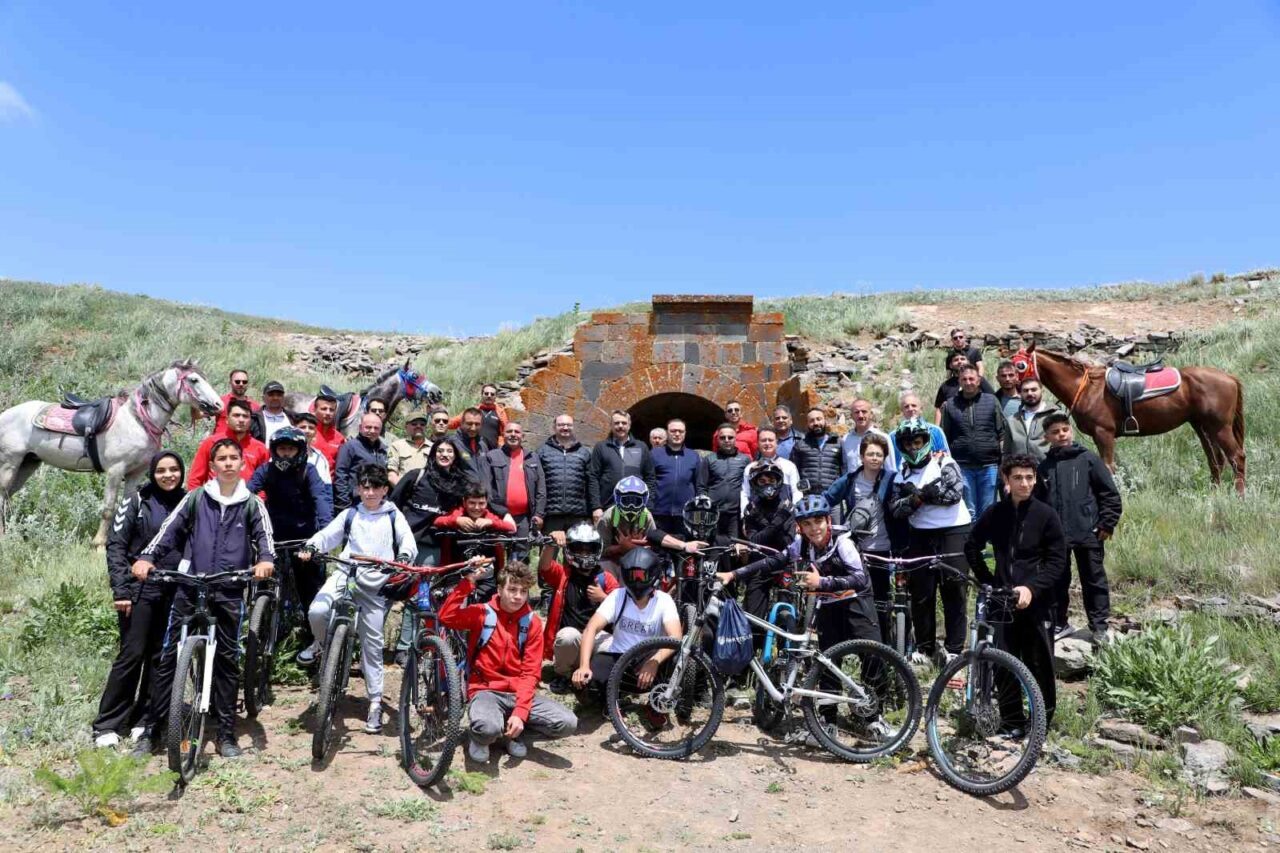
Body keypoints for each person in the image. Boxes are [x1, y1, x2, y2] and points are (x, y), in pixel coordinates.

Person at [134, 438, 275, 758]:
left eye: (233, 458)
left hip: (229, 588)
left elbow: (264, 539)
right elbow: (168, 531)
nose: (228, 463)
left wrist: (265, 560)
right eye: (221, 459)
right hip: (190, 584)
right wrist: (147, 557)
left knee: (227, 660)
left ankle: (226, 734)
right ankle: (152, 731)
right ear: (212, 466)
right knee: (169, 658)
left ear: (242, 464)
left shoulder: (253, 504)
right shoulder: (196, 498)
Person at [716, 495, 888, 739]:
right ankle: (828, 721)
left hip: (856, 604)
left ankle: (874, 718)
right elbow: (772, 562)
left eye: (818, 522)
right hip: (829, 607)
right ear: (800, 527)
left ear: (828, 521)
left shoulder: (843, 543)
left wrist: (822, 582)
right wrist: (733, 574)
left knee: (873, 658)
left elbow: (860, 579)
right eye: (807, 524)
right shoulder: (802, 544)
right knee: (827, 664)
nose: (814, 528)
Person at [300, 464, 416, 733]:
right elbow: (327, 535)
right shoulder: (351, 514)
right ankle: (320, 643)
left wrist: (402, 558)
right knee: (317, 611)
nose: (370, 492)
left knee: (372, 646)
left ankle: (374, 703)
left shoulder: (393, 515)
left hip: (375, 582)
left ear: (385, 490)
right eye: (365, 487)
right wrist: (312, 546)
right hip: (346, 573)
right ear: (359, 489)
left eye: (376, 487)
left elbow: (408, 543)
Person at [93, 451, 186, 754]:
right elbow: (116, 547)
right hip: (139, 590)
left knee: (160, 657)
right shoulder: (135, 500)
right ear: (152, 474)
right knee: (132, 654)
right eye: (161, 470)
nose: (168, 475)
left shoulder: (187, 502)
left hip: (173, 590)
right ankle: (107, 724)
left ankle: (145, 719)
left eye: (174, 469)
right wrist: (121, 590)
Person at [965, 454, 1069, 726]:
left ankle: (1040, 724)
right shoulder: (995, 513)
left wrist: (1032, 588)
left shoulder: (1047, 515)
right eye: (1018, 478)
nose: (1024, 483)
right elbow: (971, 546)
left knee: (1039, 664)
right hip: (1002, 600)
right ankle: (1011, 721)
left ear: (1035, 479)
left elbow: (1058, 561)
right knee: (1003, 662)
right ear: (1006, 480)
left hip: (1037, 602)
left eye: (1029, 478)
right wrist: (989, 581)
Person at [440, 559, 578, 762]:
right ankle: (481, 737)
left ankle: (512, 733)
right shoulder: (483, 613)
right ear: (499, 589)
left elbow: (530, 672)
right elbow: (446, 617)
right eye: (512, 589)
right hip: (485, 690)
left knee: (567, 722)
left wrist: (520, 712)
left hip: (517, 692)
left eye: (523, 591)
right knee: (487, 728)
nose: (518, 596)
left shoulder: (531, 622)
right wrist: (468, 582)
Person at [890, 418, 972, 666]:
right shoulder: (901, 473)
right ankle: (925, 648)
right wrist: (917, 499)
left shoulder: (944, 462)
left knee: (954, 589)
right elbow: (896, 509)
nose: (914, 448)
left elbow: (954, 494)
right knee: (921, 593)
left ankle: (954, 648)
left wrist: (919, 497)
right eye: (908, 444)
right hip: (920, 535)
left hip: (954, 530)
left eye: (917, 442)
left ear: (926, 441)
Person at [1036, 413, 1122, 643]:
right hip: (1056, 537)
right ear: (1046, 437)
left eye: (1065, 430)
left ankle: (1099, 627)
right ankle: (1060, 623)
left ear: (1071, 431)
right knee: (1056, 581)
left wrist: (1107, 523)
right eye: (1055, 432)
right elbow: (1038, 505)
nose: (1061, 435)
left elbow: (1110, 495)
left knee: (1093, 579)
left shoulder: (1089, 459)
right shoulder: (1044, 467)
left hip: (1089, 532)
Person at [247, 427, 334, 651]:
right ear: (274, 450)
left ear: (300, 451)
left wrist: (324, 537)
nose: (286, 453)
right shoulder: (266, 470)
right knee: (263, 583)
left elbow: (321, 501)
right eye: (282, 449)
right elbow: (248, 493)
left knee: (309, 589)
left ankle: (315, 641)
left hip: (304, 539)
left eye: (291, 449)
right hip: (273, 537)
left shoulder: (309, 471)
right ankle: (260, 631)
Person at [389, 438, 474, 662]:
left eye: (449, 451)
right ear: (433, 454)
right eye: (440, 450)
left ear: (455, 456)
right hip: (404, 544)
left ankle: (409, 647)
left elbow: (475, 498)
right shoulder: (416, 476)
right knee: (392, 591)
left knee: (420, 596)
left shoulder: (458, 485)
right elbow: (392, 504)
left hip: (432, 547)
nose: (445, 454)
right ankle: (375, 646)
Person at [572, 547, 682, 697]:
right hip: (619, 657)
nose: (637, 581)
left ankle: (658, 699)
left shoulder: (664, 600)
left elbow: (675, 637)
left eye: (641, 576)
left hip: (648, 658)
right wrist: (584, 666)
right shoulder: (617, 596)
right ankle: (615, 696)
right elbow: (591, 628)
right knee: (584, 687)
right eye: (633, 575)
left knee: (676, 658)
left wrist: (655, 661)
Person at [824, 434, 901, 644]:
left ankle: (882, 646)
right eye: (870, 454)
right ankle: (856, 644)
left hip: (883, 549)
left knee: (881, 601)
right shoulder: (850, 480)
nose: (875, 458)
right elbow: (827, 499)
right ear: (861, 456)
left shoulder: (892, 479)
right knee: (856, 598)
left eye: (879, 454)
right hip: (855, 550)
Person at [538, 523, 621, 693]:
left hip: (597, 638)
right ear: (570, 550)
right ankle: (563, 675)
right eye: (579, 549)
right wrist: (550, 543)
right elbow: (544, 567)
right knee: (568, 636)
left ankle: (598, 674)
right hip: (572, 640)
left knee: (613, 644)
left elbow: (622, 610)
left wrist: (603, 598)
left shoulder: (606, 579)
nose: (584, 554)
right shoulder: (563, 574)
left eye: (589, 549)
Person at [738, 460, 796, 654]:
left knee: (788, 612)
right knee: (753, 616)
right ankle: (752, 657)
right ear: (755, 484)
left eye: (771, 480)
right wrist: (776, 522)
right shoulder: (751, 508)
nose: (767, 484)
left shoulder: (788, 505)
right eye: (762, 481)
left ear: (778, 481)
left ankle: (787, 655)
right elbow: (755, 540)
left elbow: (787, 541)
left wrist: (766, 525)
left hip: (784, 562)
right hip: (759, 563)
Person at [596, 476, 705, 580]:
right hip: (613, 561)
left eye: (636, 502)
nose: (631, 506)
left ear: (644, 500)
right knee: (604, 565)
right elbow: (600, 551)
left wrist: (632, 547)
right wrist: (620, 548)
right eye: (626, 501)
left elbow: (655, 542)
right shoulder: (607, 517)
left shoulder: (646, 515)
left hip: (637, 561)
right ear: (617, 498)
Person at [941, 364, 1009, 521]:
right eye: (964, 379)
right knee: (968, 511)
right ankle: (971, 537)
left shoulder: (991, 401)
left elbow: (1002, 433)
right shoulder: (950, 405)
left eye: (971, 379)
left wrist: (1003, 461)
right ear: (959, 381)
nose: (968, 382)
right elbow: (945, 436)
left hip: (989, 465)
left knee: (988, 510)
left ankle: (985, 537)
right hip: (962, 466)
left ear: (978, 380)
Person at [434, 485, 518, 601]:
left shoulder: (488, 516)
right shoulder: (458, 513)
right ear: (464, 502)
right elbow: (437, 521)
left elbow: (511, 528)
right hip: (457, 571)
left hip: (487, 573)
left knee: (486, 604)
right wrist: (456, 520)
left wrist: (491, 523)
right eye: (472, 503)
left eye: (481, 503)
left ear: (486, 503)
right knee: (455, 603)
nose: (477, 507)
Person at [479, 422, 546, 559]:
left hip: (524, 518)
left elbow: (541, 488)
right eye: (509, 431)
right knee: (495, 557)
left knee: (521, 558)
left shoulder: (532, 457)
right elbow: (486, 489)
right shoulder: (492, 456)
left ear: (523, 436)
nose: (513, 435)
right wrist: (502, 513)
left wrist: (538, 514)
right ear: (503, 435)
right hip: (498, 517)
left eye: (517, 432)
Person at [588, 410, 657, 524]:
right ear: (611, 425)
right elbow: (593, 477)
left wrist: (648, 505)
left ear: (629, 425)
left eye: (624, 423)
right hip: (608, 507)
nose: (620, 426)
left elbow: (650, 478)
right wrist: (596, 507)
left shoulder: (641, 447)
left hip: (636, 508)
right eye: (617, 423)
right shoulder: (601, 447)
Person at [187, 398, 270, 490]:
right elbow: (195, 480)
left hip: (248, 497)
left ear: (250, 421)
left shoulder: (260, 449)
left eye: (245, 416)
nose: (241, 420)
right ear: (227, 419)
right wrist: (197, 498)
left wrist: (256, 498)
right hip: (213, 497)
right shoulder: (211, 443)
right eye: (236, 415)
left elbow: (264, 483)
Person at [536, 414, 596, 535]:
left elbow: (592, 482)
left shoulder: (584, 452)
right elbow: (536, 483)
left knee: (577, 547)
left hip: (578, 515)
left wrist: (595, 508)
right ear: (554, 427)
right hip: (551, 516)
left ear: (573, 427)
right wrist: (538, 513)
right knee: (550, 547)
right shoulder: (542, 452)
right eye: (561, 425)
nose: (565, 428)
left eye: (568, 425)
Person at [650, 419, 708, 537]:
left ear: (685, 433)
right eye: (673, 431)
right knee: (659, 546)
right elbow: (650, 482)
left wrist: (700, 509)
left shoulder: (693, 456)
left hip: (686, 514)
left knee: (685, 546)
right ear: (667, 433)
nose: (677, 434)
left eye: (680, 431)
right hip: (659, 513)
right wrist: (649, 506)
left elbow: (699, 484)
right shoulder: (655, 454)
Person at [334, 413, 390, 511]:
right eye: (368, 427)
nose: (372, 431)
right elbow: (341, 475)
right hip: (355, 503)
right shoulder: (350, 447)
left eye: (376, 428)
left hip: (377, 504)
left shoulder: (383, 450)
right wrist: (344, 504)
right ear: (360, 428)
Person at [739, 427, 801, 512]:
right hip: (757, 517)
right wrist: (744, 514)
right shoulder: (750, 468)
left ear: (777, 442)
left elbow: (796, 492)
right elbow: (745, 494)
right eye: (763, 440)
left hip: (784, 516)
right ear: (758, 443)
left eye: (770, 440)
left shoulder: (789, 466)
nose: (767, 443)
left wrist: (796, 513)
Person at [706, 423, 750, 540]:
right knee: (713, 546)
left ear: (735, 439)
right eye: (722, 437)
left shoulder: (745, 460)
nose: (726, 440)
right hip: (713, 513)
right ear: (717, 439)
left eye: (730, 437)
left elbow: (749, 487)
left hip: (735, 514)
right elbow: (701, 486)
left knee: (735, 546)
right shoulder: (709, 459)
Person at [790, 407, 844, 499]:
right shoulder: (800, 445)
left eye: (819, 419)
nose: (816, 423)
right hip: (808, 497)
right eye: (811, 421)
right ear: (807, 424)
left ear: (825, 420)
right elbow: (793, 472)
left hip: (833, 497)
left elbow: (844, 469)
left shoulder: (838, 443)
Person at [1006, 378, 1057, 462]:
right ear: (1020, 394)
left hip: (1048, 467)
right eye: (1025, 391)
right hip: (1020, 468)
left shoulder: (1056, 415)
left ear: (1042, 391)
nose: (1029, 393)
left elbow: (1065, 445)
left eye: (1034, 390)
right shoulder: (1012, 421)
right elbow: (1007, 452)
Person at [934, 353, 995, 424]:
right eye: (956, 360)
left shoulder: (979, 381)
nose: (960, 361)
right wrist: (937, 428)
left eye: (963, 359)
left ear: (968, 362)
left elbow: (993, 400)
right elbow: (939, 409)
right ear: (950, 365)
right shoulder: (946, 385)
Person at [840, 398, 895, 475]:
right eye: (857, 412)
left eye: (864, 411)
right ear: (851, 416)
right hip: (852, 482)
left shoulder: (883, 438)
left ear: (871, 414)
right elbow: (844, 468)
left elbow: (890, 470)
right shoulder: (846, 439)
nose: (860, 415)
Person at [447, 384, 508, 449]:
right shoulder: (473, 411)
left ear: (496, 396)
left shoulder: (501, 413)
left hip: (493, 450)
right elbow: (453, 422)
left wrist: (501, 444)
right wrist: (442, 421)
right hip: (473, 450)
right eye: (486, 393)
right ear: (482, 395)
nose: (489, 396)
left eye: (492, 394)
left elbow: (506, 431)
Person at [387, 408, 431, 486]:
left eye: (422, 424)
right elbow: (391, 475)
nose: (418, 426)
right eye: (414, 424)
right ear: (406, 426)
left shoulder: (434, 447)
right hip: (403, 490)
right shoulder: (397, 446)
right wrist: (403, 489)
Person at [210, 368, 259, 433]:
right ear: (230, 382)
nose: (241, 384)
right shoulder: (220, 401)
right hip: (220, 439)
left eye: (244, 382)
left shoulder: (255, 406)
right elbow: (200, 415)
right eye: (237, 382)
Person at [449, 407, 494, 477]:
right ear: (462, 423)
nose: (473, 428)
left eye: (477, 424)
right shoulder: (452, 444)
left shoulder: (482, 445)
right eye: (469, 424)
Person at [292, 412, 332, 484]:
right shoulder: (283, 452)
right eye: (303, 427)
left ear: (315, 431)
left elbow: (326, 484)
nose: (307, 431)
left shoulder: (320, 457)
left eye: (311, 428)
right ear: (294, 429)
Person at [312, 391, 346, 471]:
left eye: (331, 410)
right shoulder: (307, 433)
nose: (328, 413)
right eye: (324, 409)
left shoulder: (339, 438)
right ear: (315, 410)